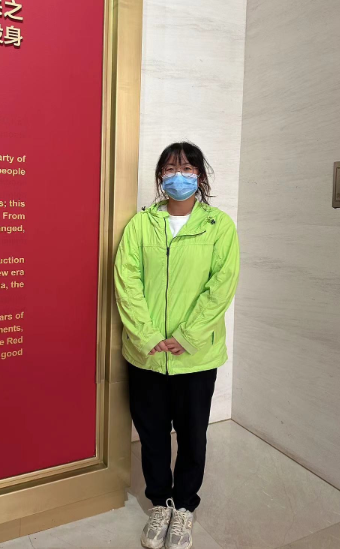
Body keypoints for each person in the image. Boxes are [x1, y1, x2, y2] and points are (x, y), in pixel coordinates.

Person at [114, 141, 240, 549]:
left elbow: (221, 287)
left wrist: (187, 336)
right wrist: (147, 335)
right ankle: (160, 503)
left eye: (187, 168)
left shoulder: (219, 226)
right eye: (170, 169)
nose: (178, 176)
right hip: (147, 355)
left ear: (200, 176)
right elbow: (126, 281)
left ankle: (184, 506)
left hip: (196, 356)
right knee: (151, 434)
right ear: (160, 177)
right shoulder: (141, 225)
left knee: (192, 435)